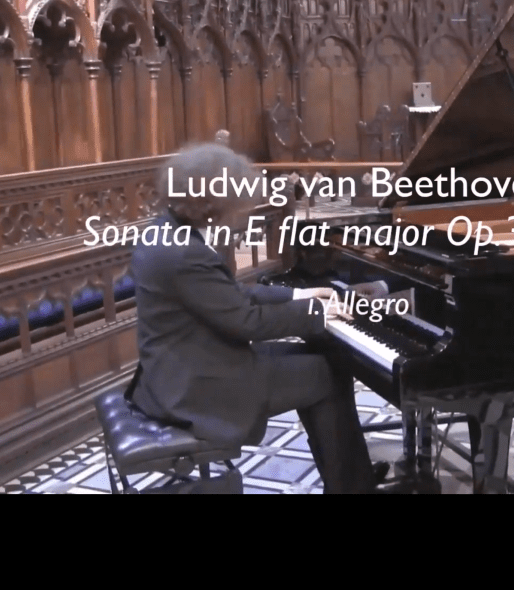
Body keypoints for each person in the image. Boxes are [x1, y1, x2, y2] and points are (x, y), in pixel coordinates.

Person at [127, 143, 383, 493]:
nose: (242, 210)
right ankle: (353, 486)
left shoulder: (167, 230)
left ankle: (352, 481)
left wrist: (299, 295)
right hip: (195, 388)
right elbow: (246, 321)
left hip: (182, 367)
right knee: (328, 372)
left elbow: (227, 295)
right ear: (213, 202)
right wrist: (317, 313)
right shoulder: (185, 253)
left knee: (327, 360)